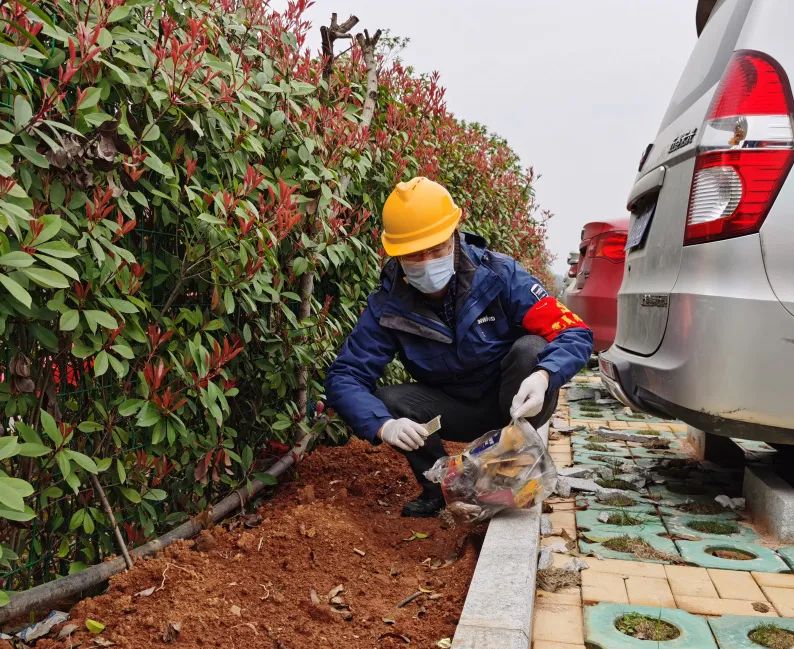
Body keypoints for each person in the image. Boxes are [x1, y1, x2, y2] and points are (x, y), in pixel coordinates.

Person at [325, 177, 593, 517]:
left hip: (514, 401)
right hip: (453, 409)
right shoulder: (388, 306)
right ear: (396, 255)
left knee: (530, 350)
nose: (428, 261)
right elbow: (345, 376)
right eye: (415, 255)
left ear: (454, 236)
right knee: (389, 402)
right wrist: (383, 425)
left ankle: (512, 470)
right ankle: (439, 490)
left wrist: (543, 376)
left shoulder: (500, 275)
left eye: (437, 249)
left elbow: (574, 331)